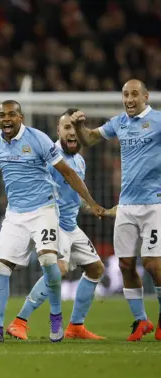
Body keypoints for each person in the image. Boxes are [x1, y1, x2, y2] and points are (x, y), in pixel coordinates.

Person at [0, 100, 105, 343]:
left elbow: (67, 173)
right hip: (15, 215)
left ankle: (56, 317)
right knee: (0, 268)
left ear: (20, 117)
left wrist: (91, 202)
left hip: (45, 209)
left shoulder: (38, 140)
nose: (6, 118)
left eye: (11, 114)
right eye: (2, 114)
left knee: (48, 260)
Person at [6, 109, 117, 340]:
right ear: (58, 131)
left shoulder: (79, 160)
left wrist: (101, 211)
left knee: (96, 268)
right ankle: (20, 321)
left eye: (76, 128)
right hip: (52, 222)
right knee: (60, 270)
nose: (72, 132)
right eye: (67, 127)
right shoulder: (50, 156)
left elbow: (76, 198)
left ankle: (76, 327)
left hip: (70, 225)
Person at [70, 79, 161, 341]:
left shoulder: (157, 120)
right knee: (125, 264)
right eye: (125, 95)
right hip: (127, 205)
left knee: (154, 265)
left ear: (145, 96)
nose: (129, 99)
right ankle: (141, 321)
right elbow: (88, 139)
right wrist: (78, 126)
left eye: (134, 94)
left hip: (154, 203)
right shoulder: (119, 123)